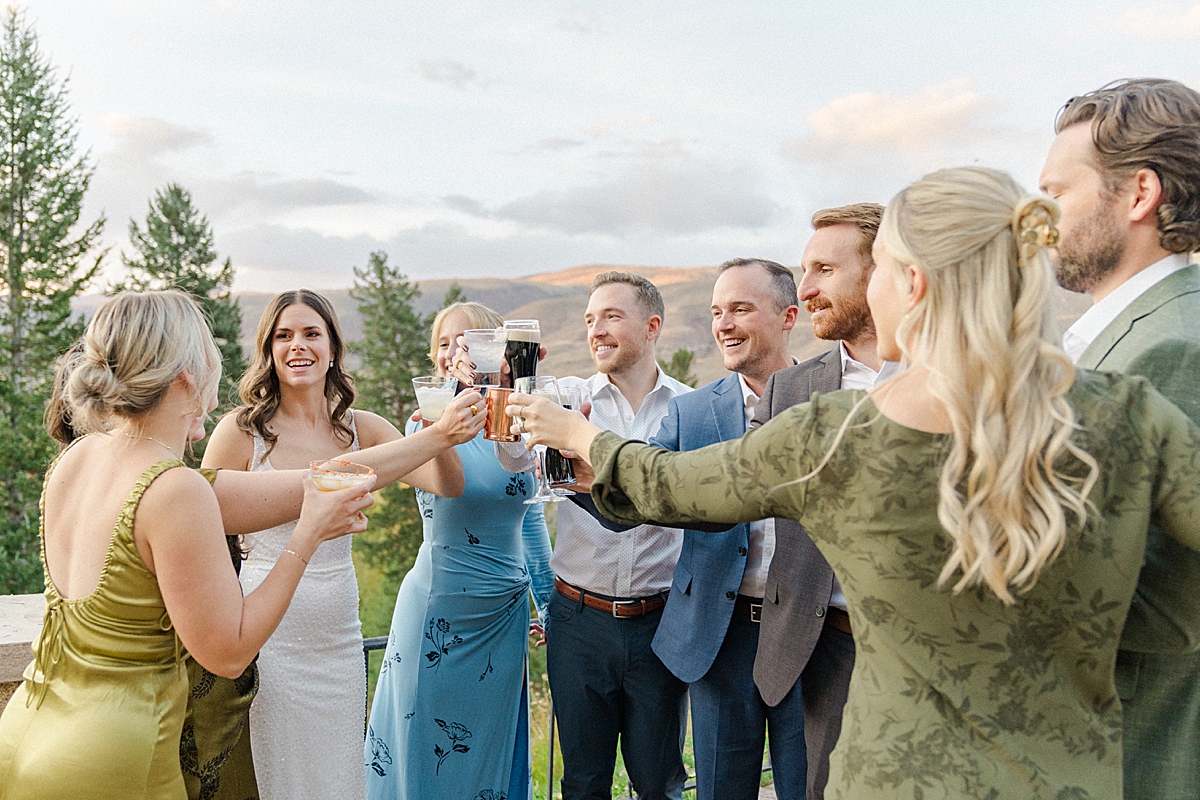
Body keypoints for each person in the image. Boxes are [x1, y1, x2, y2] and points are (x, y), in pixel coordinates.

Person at [511, 166, 1200, 800]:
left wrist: (578, 437)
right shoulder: (1134, 415)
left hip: (892, 776)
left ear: (913, 284)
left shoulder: (836, 438)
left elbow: (673, 485)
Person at [0, 290, 374, 799]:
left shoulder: (78, 456)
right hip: (117, 757)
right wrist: (308, 532)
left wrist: (436, 438)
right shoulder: (176, 488)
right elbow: (230, 653)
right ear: (186, 376)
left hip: (29, 730)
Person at [202, 290, 465, 800]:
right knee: (281, 774)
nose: (297, 346)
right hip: (268, 631)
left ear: (332, 347)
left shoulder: (361, 428)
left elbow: (446, 483)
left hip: (339, 636)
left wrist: (440, 428)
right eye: (283, 336)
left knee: (339, 775)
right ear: (268, 350)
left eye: (310, 334)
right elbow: (205, 524)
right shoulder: (241, 433)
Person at [456, 272, 691, 800]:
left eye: (611, 316)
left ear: (652, 326)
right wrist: (509, 390)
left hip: (661, 621)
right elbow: (517, 455)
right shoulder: (567, 398)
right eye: (589, 319)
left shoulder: (690, 408)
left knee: (660, 784)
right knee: (583, 783)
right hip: (578, 622)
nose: (596, 329)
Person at [1039, 77, 1200, 799]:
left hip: (1144, 744)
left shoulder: (1173, 346)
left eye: (1056, 194)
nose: (1038, 220)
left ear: (1139, 195)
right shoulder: (1118, 337)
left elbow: (1156, 598)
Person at [364, 301, 553, 800]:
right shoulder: (424, 425)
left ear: (499, 350)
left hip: (503, 620)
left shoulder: (520, 427)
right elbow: (444, 485)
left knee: (489, 760)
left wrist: (550, 607)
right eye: (445, 345)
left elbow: (532, 521)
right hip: (439, 615)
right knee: (425, 756)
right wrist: (452, 406)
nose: (455, 353)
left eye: (468, 342)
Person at [647, 258, 806, 800]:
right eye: (717, 312)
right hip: (719, 632)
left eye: (740, 308)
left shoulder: (832, 401)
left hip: (809, 633)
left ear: (789, 315)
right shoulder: (690, 413)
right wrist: (578, 467)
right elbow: (640, 490)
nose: (724, 324)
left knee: (810, 787)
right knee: (720, 790)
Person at [749, 203, 891, 800]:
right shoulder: (791, 388)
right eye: (804, 271)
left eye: (824, 271)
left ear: (884, 269)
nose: (804, 289)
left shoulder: (959, 377)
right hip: (824, 646)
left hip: (932, 653)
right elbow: (732, 486)